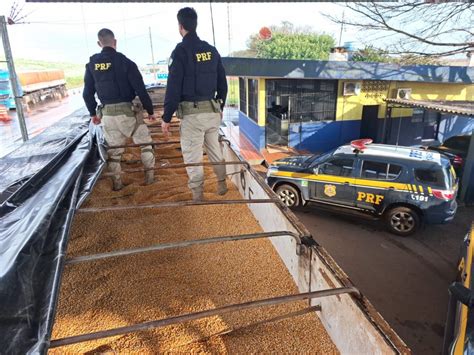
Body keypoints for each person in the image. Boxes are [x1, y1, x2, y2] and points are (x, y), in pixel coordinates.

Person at [162, 7, 228, 201]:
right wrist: (220, 107)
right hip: (212, 112)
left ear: (180, 26)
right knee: (214, 149)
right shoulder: (211, 50)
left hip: (192, 116)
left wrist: (166, 117)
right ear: (195, 24)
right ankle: (222, 184)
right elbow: (222, 84)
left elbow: (173, 88)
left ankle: (198, 197)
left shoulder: (180, 52)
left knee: (193, 157)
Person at [83, 28, 156, 191]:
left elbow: (87, 93)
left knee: (114, 153)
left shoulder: (92, 65)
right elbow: (141, 90)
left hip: (107, 115)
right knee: (145, 144)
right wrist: (150, 111)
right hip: (128, 113)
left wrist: (93, 114)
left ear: (99, 43)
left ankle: (117, 183)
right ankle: (150, 178)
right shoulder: (126, 62)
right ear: (115, 42)